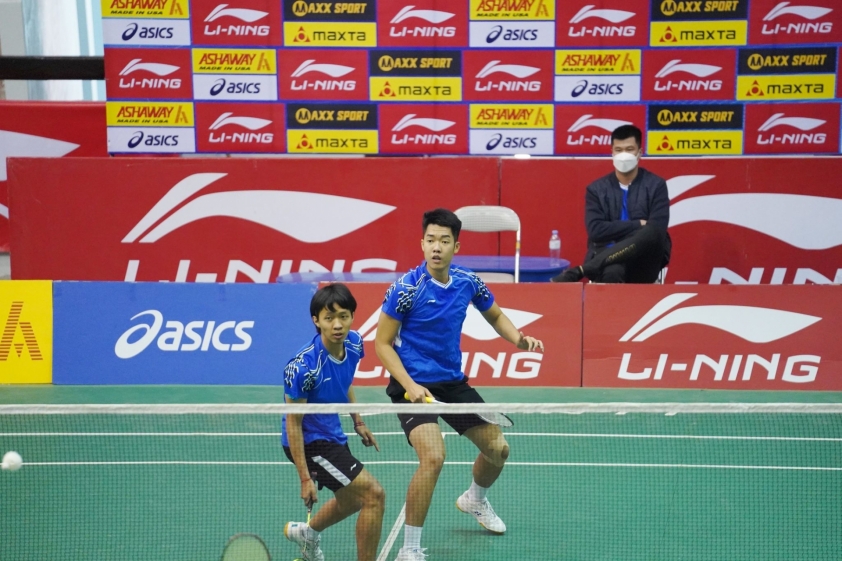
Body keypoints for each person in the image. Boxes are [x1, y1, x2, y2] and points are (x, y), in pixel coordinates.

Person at [374, 208, 545, 561]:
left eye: (444, 241)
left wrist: (518, 339)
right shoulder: (405, 289)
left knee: (498, 450)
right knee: (434, 457)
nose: (437, 247)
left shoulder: (468, 281)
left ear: (456, 246)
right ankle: (409, 548)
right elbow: (382, 344)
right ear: (422, 244)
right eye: (431, 240)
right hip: (412, 385)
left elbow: (495, 314)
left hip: (451, 383)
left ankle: (474, 499)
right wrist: (410, 385)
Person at [282, 283, 385, 561]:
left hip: (331, 432)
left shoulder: (354, 343)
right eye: (329, 318)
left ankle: (307, 533)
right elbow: (293, 424)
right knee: (374, 495)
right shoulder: (303, 368)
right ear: (316, 320)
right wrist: (305, 478)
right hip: (309, 441)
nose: (337, 325)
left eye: (343, 316)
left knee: (351, 500)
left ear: (352, 316)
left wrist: (357, 420)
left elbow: (345, 380)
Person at [552, 124, 671, 284]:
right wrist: (637, 225)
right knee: (612, 270)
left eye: (629, 149)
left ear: (640, 153)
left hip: (644, 260)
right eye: (619, 150)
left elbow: (657, 231)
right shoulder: (596, 189)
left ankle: (583, 270)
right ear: (612, 153)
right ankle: (590, 272)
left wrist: (624, 229)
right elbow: (596, 230)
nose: (623, 155)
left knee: (652, 231)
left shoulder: (656, 185)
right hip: (606, 256)